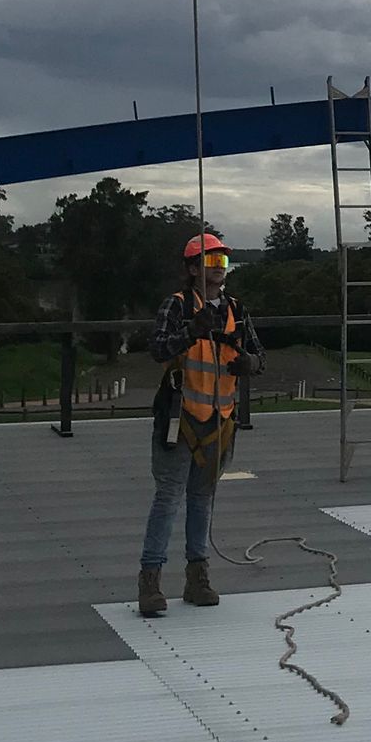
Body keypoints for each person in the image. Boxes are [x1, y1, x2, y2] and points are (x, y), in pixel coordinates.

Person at [138, 232, 264, 616]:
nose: (218, 270)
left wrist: (250, 365)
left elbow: (259, 355)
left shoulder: (236, 311)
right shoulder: (176, 307)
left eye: (222, 263)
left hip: (220, 419)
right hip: (181, 417)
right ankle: (150, 582)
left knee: (201, 499)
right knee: (168, 498)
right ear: (192, 269)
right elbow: (158, 348)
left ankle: (197, 577)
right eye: (210, 263)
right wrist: (192, 329)